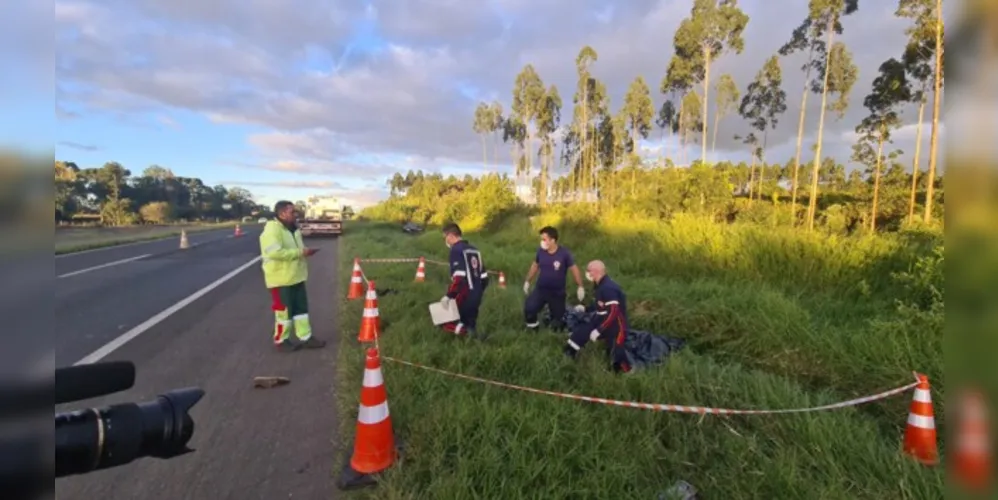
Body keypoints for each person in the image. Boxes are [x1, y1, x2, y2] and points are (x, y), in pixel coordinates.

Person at [260, 200, 326, 352]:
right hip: (280, 280)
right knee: (283, 312)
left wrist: (305, 251)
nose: (295, 214)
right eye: (292, 212)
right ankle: (281, 340)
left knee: (301, 310)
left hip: (296, 276)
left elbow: (297, 249)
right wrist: (300, 253)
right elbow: (274, 252)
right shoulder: (272, 230)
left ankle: (306, 337)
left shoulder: (293, 229)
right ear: (282, 213)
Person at [563, 260, 631, 373]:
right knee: (580, 333)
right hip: (601, 318)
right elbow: (600, 304)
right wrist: (586, 308)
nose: (587, 273)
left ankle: (622, 373)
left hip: (616, 324)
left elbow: (614, 312)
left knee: (615, 354)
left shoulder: (608, 288)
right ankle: (569, 355)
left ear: (596, 271)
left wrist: (599, 330)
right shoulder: (599, 285)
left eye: (588, 271)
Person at [523, 226, 585, 332]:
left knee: (558, 321)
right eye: (541, 239)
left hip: (557, 292)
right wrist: (528, 281)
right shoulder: (540, 252)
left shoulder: (564, 253)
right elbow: (535, 265)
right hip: (541, 289)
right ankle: (533, 330)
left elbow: (574, 269)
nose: (542, 242)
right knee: (529, 308)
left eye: (544, 239)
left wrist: (580, 286)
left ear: (553, 240)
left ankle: (558, 328)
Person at [440, 223, 489, 339]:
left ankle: (472, 337)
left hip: (464, 293)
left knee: (446, 323)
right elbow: (484, 277)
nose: (445, 240)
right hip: (477, 293)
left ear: (451, 236)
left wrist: (449, 295)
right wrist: (478, 292)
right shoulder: (475, 250)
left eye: (445, 237)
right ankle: (473, 340)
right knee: (470, 321)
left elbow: (459, 277)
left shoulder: (456, 250)